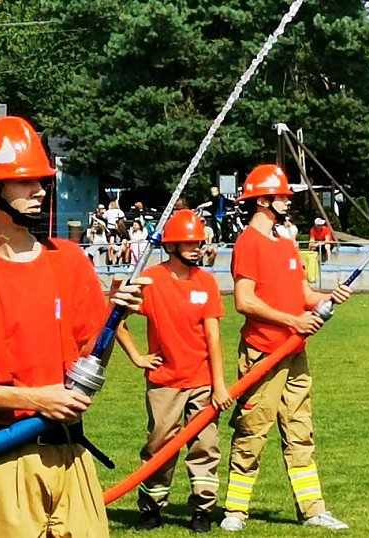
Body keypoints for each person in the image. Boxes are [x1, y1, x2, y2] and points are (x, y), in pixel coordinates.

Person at [0, 116, 147, 538]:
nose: (40, 190)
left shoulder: (71, 260)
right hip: (0, 459)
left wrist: (115, 318)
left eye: (41, 180)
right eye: (25, 180)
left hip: (72, 454)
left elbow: (89, 369)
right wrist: (35, 398)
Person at [218, 164, 352, 532]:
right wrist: (292, 322)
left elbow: (302, 294)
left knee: (300, 431)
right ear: (262, 200)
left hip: (294, 353)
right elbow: (243, 301)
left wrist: (327, 296)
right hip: (264, 353)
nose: (287, 202)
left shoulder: (286, 243)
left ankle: (312, 510)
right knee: (252, 431)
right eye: (280, 197)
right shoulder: (248, 243)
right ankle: (235, 511)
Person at [116, 210, 233, 533]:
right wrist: (138, 357)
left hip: (202, 382)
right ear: (171, 246)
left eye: (198, 242)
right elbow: (116, 319)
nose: (196, 247)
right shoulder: (151, 280)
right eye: (188, 243)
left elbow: (213, 336)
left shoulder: (206, 282)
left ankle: (202, 510)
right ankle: (152, 508)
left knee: (205, 446)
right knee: (159, 445)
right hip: (164, 382)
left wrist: (219, 386)